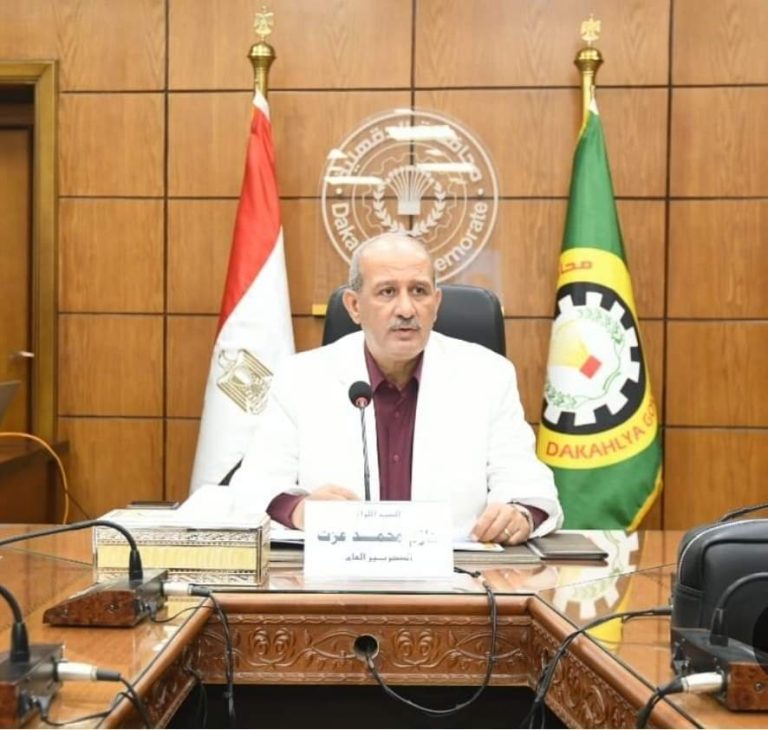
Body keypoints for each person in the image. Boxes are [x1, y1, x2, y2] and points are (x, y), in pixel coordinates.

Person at [231, 233, 563, 544]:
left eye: (419, 291)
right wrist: (300, 510)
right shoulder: (301, 378)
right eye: (387, 292)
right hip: (339, 573)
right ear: (354, 306)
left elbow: (529, 487)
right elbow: (253, 490)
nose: (406, 309)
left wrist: (518, 515)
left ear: (436, 303)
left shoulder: (487, 376)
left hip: (458, 573)